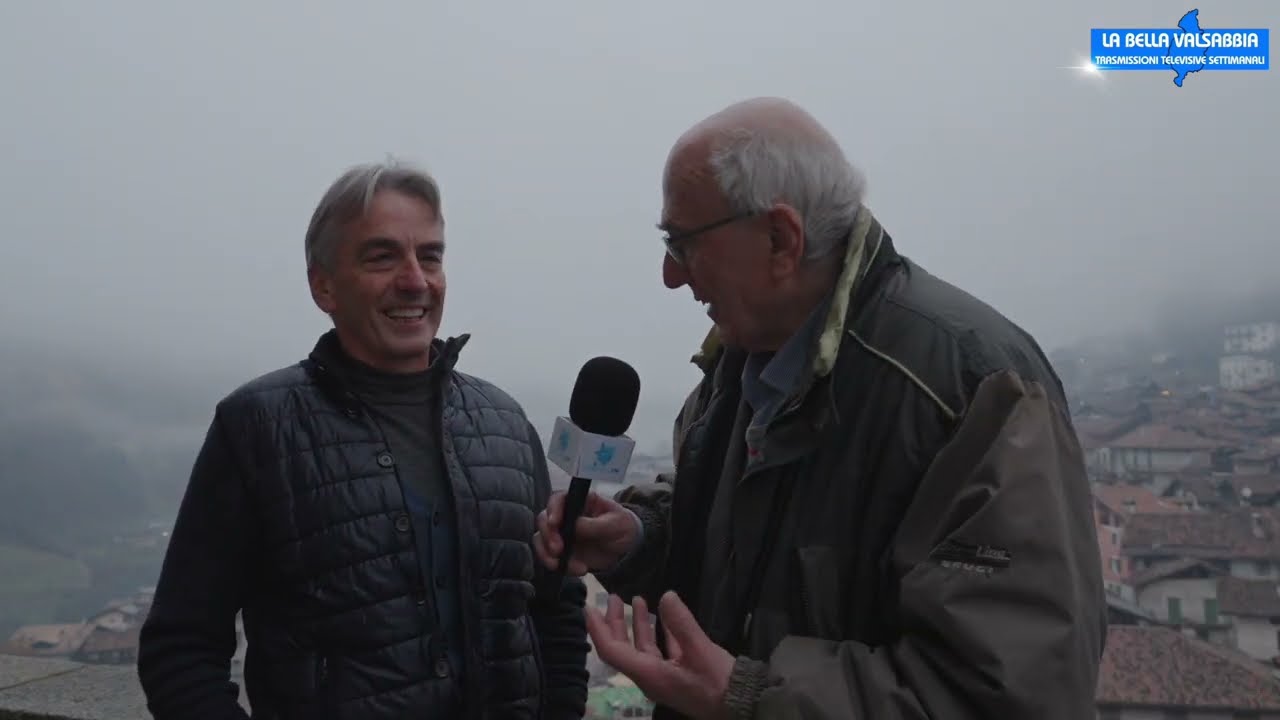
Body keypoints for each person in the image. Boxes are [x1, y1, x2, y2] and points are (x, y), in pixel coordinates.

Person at [534, 97, 1106, 720]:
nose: (672, 275)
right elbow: (750, 552)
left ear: (781, 238)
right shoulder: (743, 359)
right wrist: (639, 541)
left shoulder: (973, 387)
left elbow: (1010, 695)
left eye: (683, 243)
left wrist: (749, 698)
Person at [138, 160, 590, 720]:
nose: (414, 280)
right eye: (382, 257)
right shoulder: (257, 426)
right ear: (323, 285)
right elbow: (181, 647)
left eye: (430, 255)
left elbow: (556, 614)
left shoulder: (504, 422)